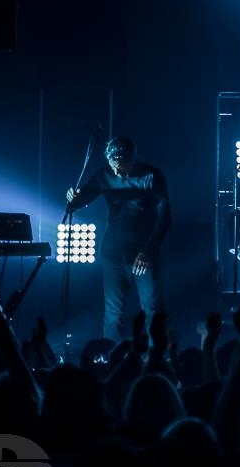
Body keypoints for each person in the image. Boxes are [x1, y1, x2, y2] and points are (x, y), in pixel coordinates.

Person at [66, 136, 171, 342]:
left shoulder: (151, 176)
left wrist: (147, 251)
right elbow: (81, 199)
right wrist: (73, 198)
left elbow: (164, 218)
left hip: (143, 255)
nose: (115, 172)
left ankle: (155, 356)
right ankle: (112, 355)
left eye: (119, 167)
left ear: (132, 158)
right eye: (112, 166)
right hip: (113, 253)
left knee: (152, 310)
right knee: (113, 312)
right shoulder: (105, 174)